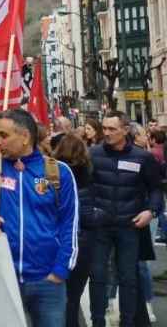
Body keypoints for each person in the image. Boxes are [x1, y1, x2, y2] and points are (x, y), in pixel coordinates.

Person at [0, 108, 78, 327]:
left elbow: (70, 225)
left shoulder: (59, 172)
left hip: (46, 280)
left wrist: (59, 271)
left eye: (3, 135)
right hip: (0, 278)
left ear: (25, 136)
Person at [88, 111, 162, 327]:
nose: (107, 133)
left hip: (129, 226)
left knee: (129, 278)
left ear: (125, 130)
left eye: (112, 129)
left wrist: (151, 211)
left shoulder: (143, 157)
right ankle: (98, 322)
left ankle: (128, 322)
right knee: (98, 276)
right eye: (104, 128)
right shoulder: (93, 154)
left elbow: (156, 190)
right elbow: (83, 186)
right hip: (100, 226)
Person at [55, 133, 101, 327]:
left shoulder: (51, 174)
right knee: (73, 298)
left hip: (56, 240)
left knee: (54, 298)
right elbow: (89, 216)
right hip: (83, 241)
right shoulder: (90, 175)